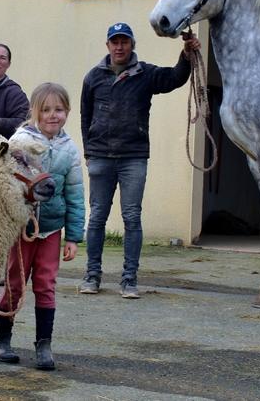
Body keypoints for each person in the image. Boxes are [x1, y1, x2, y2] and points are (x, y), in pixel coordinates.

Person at [79, 22, 201, 299]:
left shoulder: (145, 74)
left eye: (124, 41)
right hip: (100, 157)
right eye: (114, 42)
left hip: (133, 157)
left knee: (132, 218)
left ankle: (129, 280)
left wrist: (186, 55)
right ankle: (92, 275)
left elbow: (175, 78)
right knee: (97, 217)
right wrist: (88, 152)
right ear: (108, 45)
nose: (119, 46)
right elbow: (85, 116)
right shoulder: (93, 77)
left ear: (132, 44)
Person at [0, 82, 85, 371]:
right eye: (46, 110)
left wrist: (74, 236)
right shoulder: (19, 141)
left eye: (59, 109)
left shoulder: (69, 149)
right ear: (34, 112)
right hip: (22, 227)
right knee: (16, 283)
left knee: (46, 285)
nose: (53, 115)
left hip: (52, 228)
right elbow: (4, 181)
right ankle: (1, 341)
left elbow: (75, 193)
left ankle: (44, 345)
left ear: (67, 112)